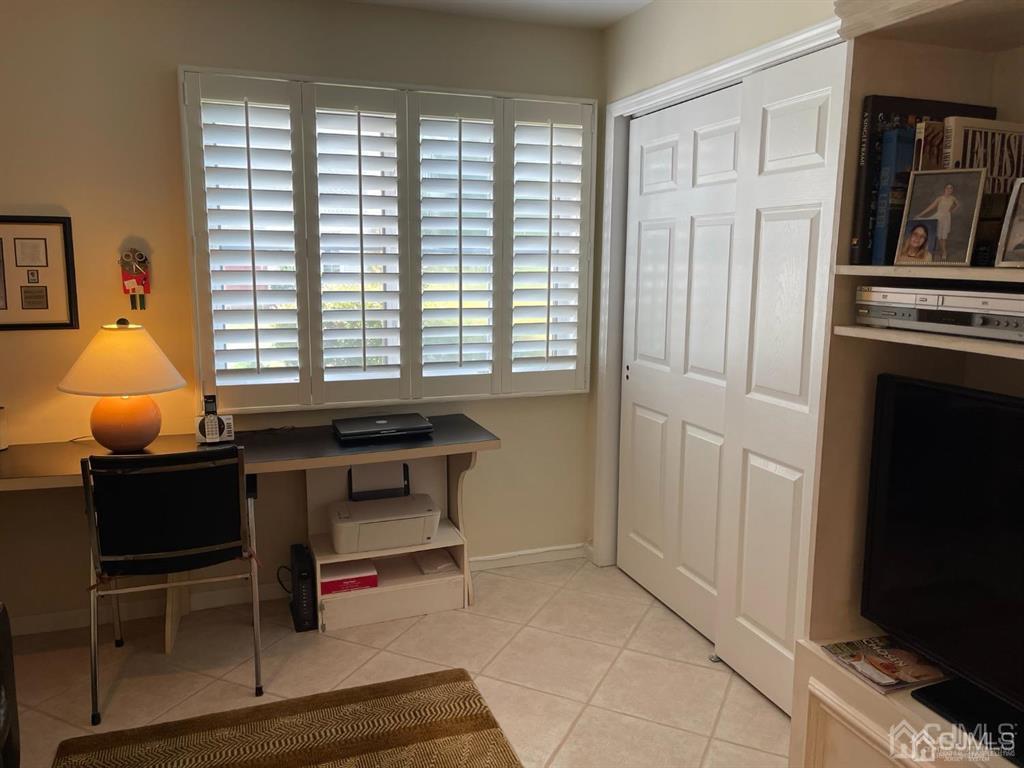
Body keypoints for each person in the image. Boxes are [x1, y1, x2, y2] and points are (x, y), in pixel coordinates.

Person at [915, 183, 959, 261]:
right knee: (938, 236)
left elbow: (957, 205)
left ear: (952, 190)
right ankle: (936, 251)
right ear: (944, 189)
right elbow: (931, 207)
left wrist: (951, 211)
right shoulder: (940, 198)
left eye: (951, 188)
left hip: (946, 218)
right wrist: (921, 214)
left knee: (944, 237)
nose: (949, 190)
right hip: (938, 217)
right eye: (947, 188)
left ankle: (944, 252)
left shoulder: (953, 198)